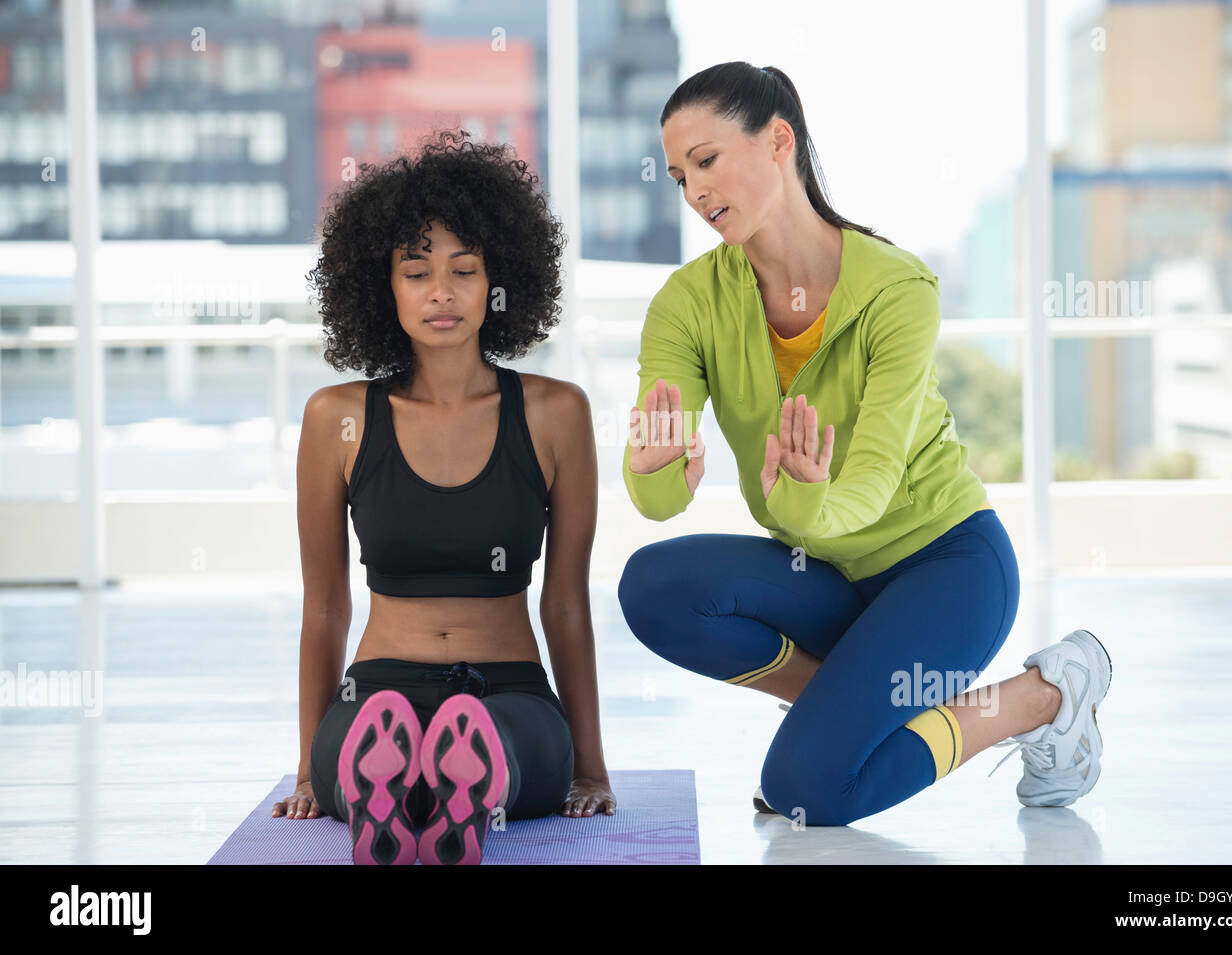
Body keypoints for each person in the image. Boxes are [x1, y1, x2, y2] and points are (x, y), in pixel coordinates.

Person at [618, 61, 1112, 826]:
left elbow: (874, 481)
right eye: (679, 176)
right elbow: (657, 497)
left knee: (806, 790)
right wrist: (650, 472)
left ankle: (1038, 697)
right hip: (823, 575)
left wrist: (810, 496)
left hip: (945, 569)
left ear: (779, 140)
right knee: (650, 587)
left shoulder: (896, 290)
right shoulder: (688, 304)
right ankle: (852, 703)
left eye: (708, 161)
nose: (694, 192)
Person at [272, 130, 616, 864]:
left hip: (511, 691)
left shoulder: (557, 413)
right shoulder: (337, 418)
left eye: (465, 270)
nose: (441, 292)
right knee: (354, 751)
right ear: (381, 285)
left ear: (499, 281)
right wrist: (308, 764)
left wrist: (589, 762)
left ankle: (460, 776)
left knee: (524, 752)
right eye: (416, 270)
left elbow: (566, 602)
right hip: (376, 696)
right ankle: (402, 777)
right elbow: (325, 606)